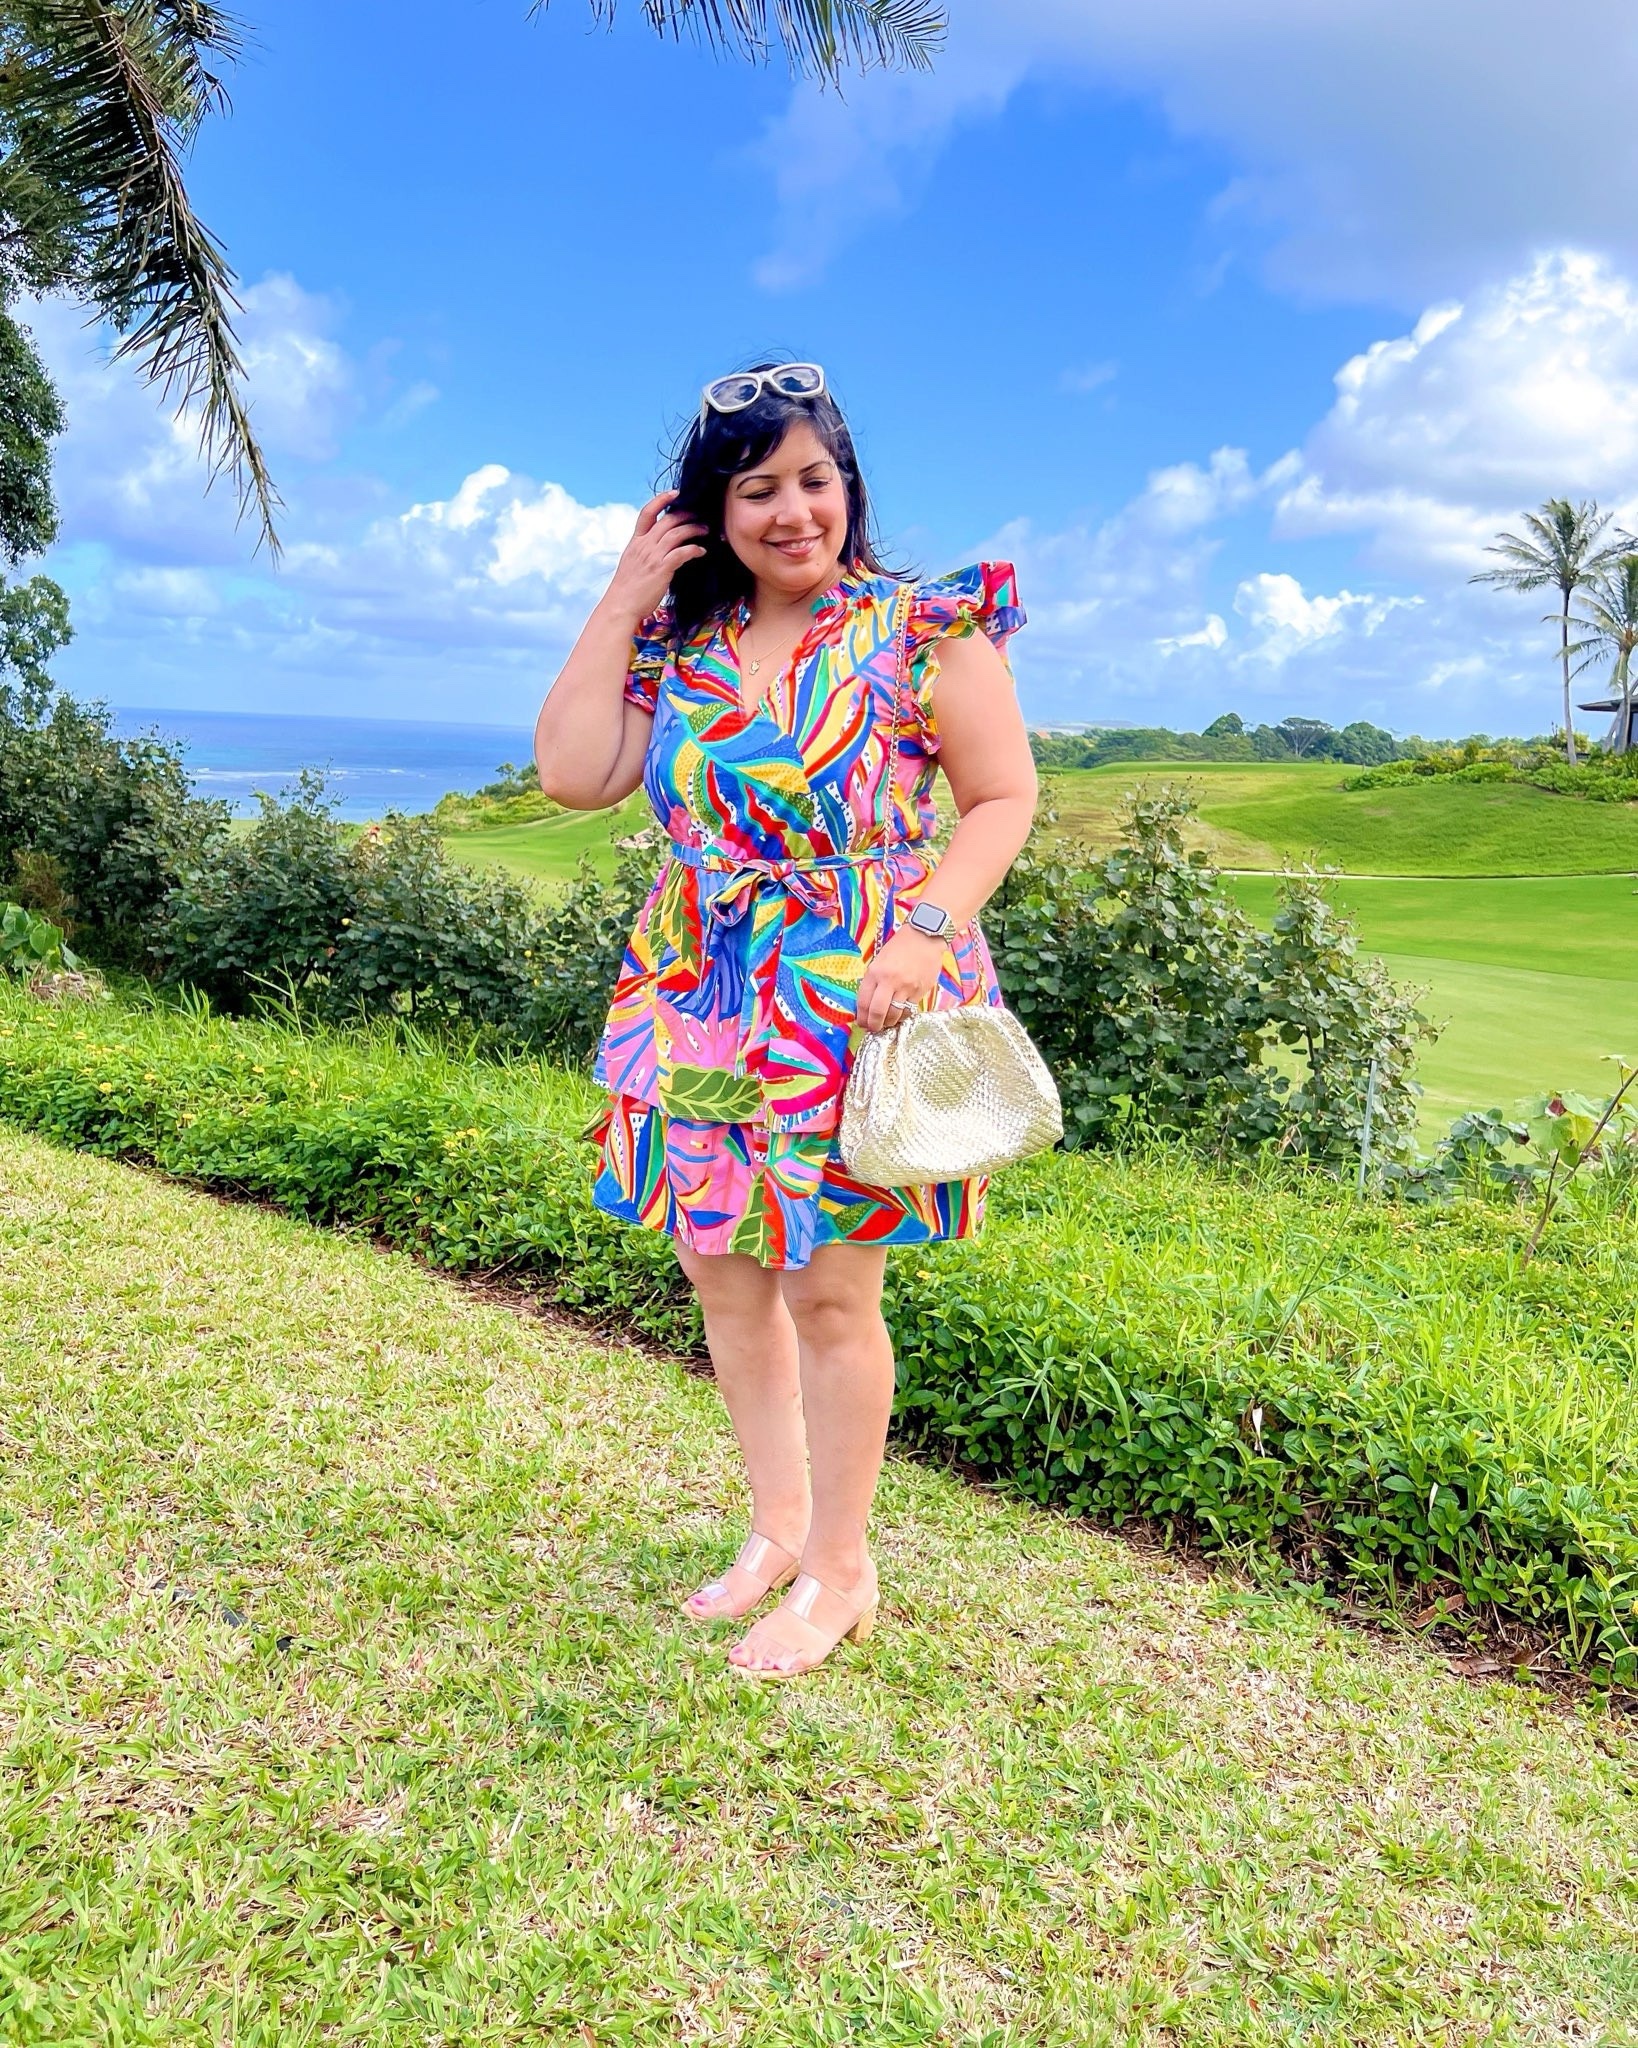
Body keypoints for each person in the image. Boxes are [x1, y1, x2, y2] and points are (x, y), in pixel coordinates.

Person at [534, 362, 1037, 1678]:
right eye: (757, 489)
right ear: (712, 509)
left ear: (846, 489)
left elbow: (1000, 799)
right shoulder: (682, 645)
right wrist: (624, 592)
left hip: (851, 990)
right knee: (723, 1271)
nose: (792, 511)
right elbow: (574, 770)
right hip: (699, 995)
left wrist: (925, 931)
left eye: (812, 480)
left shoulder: (923, 629)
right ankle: (776, 1528)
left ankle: (841, 1567)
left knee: (828, 1289)